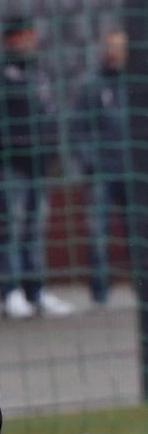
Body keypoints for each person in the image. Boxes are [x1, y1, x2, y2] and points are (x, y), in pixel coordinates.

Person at [0, 15, 73, 319]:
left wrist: (50, 152)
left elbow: (50, 115)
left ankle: (36, 291)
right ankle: (10, 292)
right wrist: (19, 146)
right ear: (9, 39)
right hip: (10, 165)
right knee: (12, 227)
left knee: (35, 230)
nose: (27, 41)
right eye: (21, 35)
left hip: (38, 166)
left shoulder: (39, 73)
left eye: (30, 35)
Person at [73, 28, 131, 306]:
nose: (114, 52)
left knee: (137, 231)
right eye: (110, 46)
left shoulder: (136, 82)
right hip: (101, 173)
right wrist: (90, 163)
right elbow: (78, 128)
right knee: (97, 232)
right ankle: (99, 294)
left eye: (119, 47)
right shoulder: (91, 84)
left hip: (133, 173)